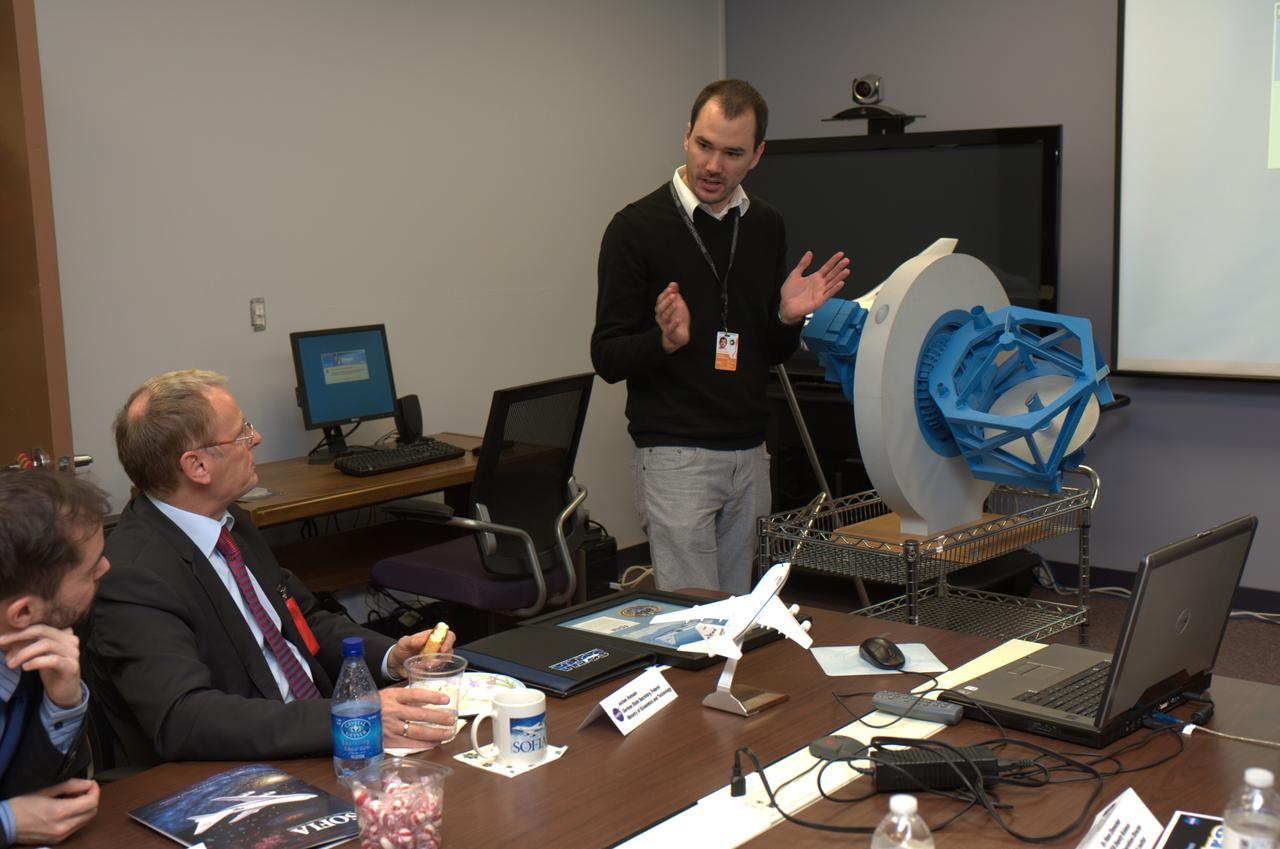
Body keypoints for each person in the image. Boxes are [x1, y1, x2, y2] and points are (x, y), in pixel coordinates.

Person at [87, 369, 457, 766]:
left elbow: (304, 621)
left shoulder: (232, 523)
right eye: (242, 432)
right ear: (197, 467)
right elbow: (186, 718)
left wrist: (390, 656)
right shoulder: (134, 576)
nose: (256, 438)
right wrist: (348, 717)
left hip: (326, 734)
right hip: (251, 765)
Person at [591, 79, 850, 594]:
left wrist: (786, 317)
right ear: (687, 136)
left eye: (732, 153)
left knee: (736, 617)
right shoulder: (635, 228)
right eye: (704, 145)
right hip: (674, 454)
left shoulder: (765, 225)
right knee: (695, 623)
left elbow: (769, 354)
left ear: (756, 155)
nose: (714, 166)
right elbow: (607, 355)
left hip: (750, 454)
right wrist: (664, 341)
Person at [0, 469, 110, 846]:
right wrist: (7, 822)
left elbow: (42, 793)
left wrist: (62, 701)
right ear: (23, 613)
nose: (105, 568)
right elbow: (18, 812)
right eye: (90, 568)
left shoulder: (47, 641)